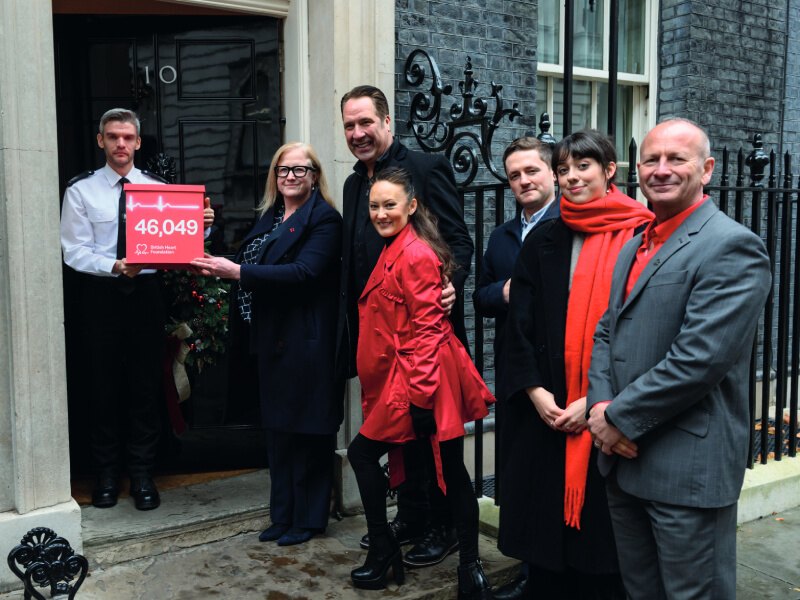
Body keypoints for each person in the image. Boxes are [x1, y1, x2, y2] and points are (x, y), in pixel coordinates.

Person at [586, 118, 771, 599]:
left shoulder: (731, 246)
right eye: (651, 159)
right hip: (622, 459)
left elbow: (698, 360)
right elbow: (608, 330)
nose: (661, 169)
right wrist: (599, 411)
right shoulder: (634, 246)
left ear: (706, 169)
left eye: (677, 159)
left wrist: (617, 419)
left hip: (686, 466)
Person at [502, 130, 653, 598]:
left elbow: (647, 333)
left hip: (610, 408)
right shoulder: (545, 237)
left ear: (610, 171)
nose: (571, 177)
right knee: (547, 551)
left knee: (603, 556)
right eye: (564, 169)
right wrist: (536, 393)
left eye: (582, 166)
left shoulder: (644, 235)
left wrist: (597, 399)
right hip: (549, 410)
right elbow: (518, 326)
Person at [338, 85, 474, 567]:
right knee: (398, 440)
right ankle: (413, 516)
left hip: (420, 337)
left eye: (365, 123)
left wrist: (447, 284)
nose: (358, 133)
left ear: (387, 121)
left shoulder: (425, 167)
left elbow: (457, 239)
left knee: (429, 436)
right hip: (379, 341)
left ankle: (445, 528)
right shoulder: (356, 185)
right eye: (350, 125)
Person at [346, 167, 495, 596]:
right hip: (415, 374)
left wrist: (423, 400)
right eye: (374, 206)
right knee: (449, 468)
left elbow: (428, 330)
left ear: (411, 206)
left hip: (420, 376)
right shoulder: (398, 246)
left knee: (363, 454)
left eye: (389, 204)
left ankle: (387, 552)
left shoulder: (413, 253)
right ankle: (466, 568)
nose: (380, 212)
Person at [61, 108, 213, 511]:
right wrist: (113, 265)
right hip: (101, 295)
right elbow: (73, 251)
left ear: (139, 142)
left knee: (146, 386)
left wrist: (204, 224)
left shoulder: (158, 188)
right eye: (112, 137)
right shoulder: (81, 191)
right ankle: (107, 475)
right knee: (102, 386)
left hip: (146, 293)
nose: (121, 144)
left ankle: (143, 474)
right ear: (101, 141)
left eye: (128, 137)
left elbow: (179, 238)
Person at [191, 142, 343, 546]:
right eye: (282, 169)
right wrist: (206, 233)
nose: (290, 176)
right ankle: (282, 515)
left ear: (314, 176)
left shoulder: (325, 219)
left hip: (305, 342)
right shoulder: (272, 216)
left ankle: (309, 520)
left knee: (308, 431)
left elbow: (303, 272)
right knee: (278, 432)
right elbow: (249, 261)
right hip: (269, 339)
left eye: (299, 169)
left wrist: (238, 272)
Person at [472, 137, 558, 600]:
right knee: (518, 477)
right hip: (511, 368)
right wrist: (505, 292)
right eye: (515, 175)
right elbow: (481, 295)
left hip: (556, 374)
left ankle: (546, 576)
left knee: (549, 476)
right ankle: (528, 572)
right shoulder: (502, 235)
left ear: (552, 173)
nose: (523, 181)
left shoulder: (570, 224)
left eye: (532, 171)